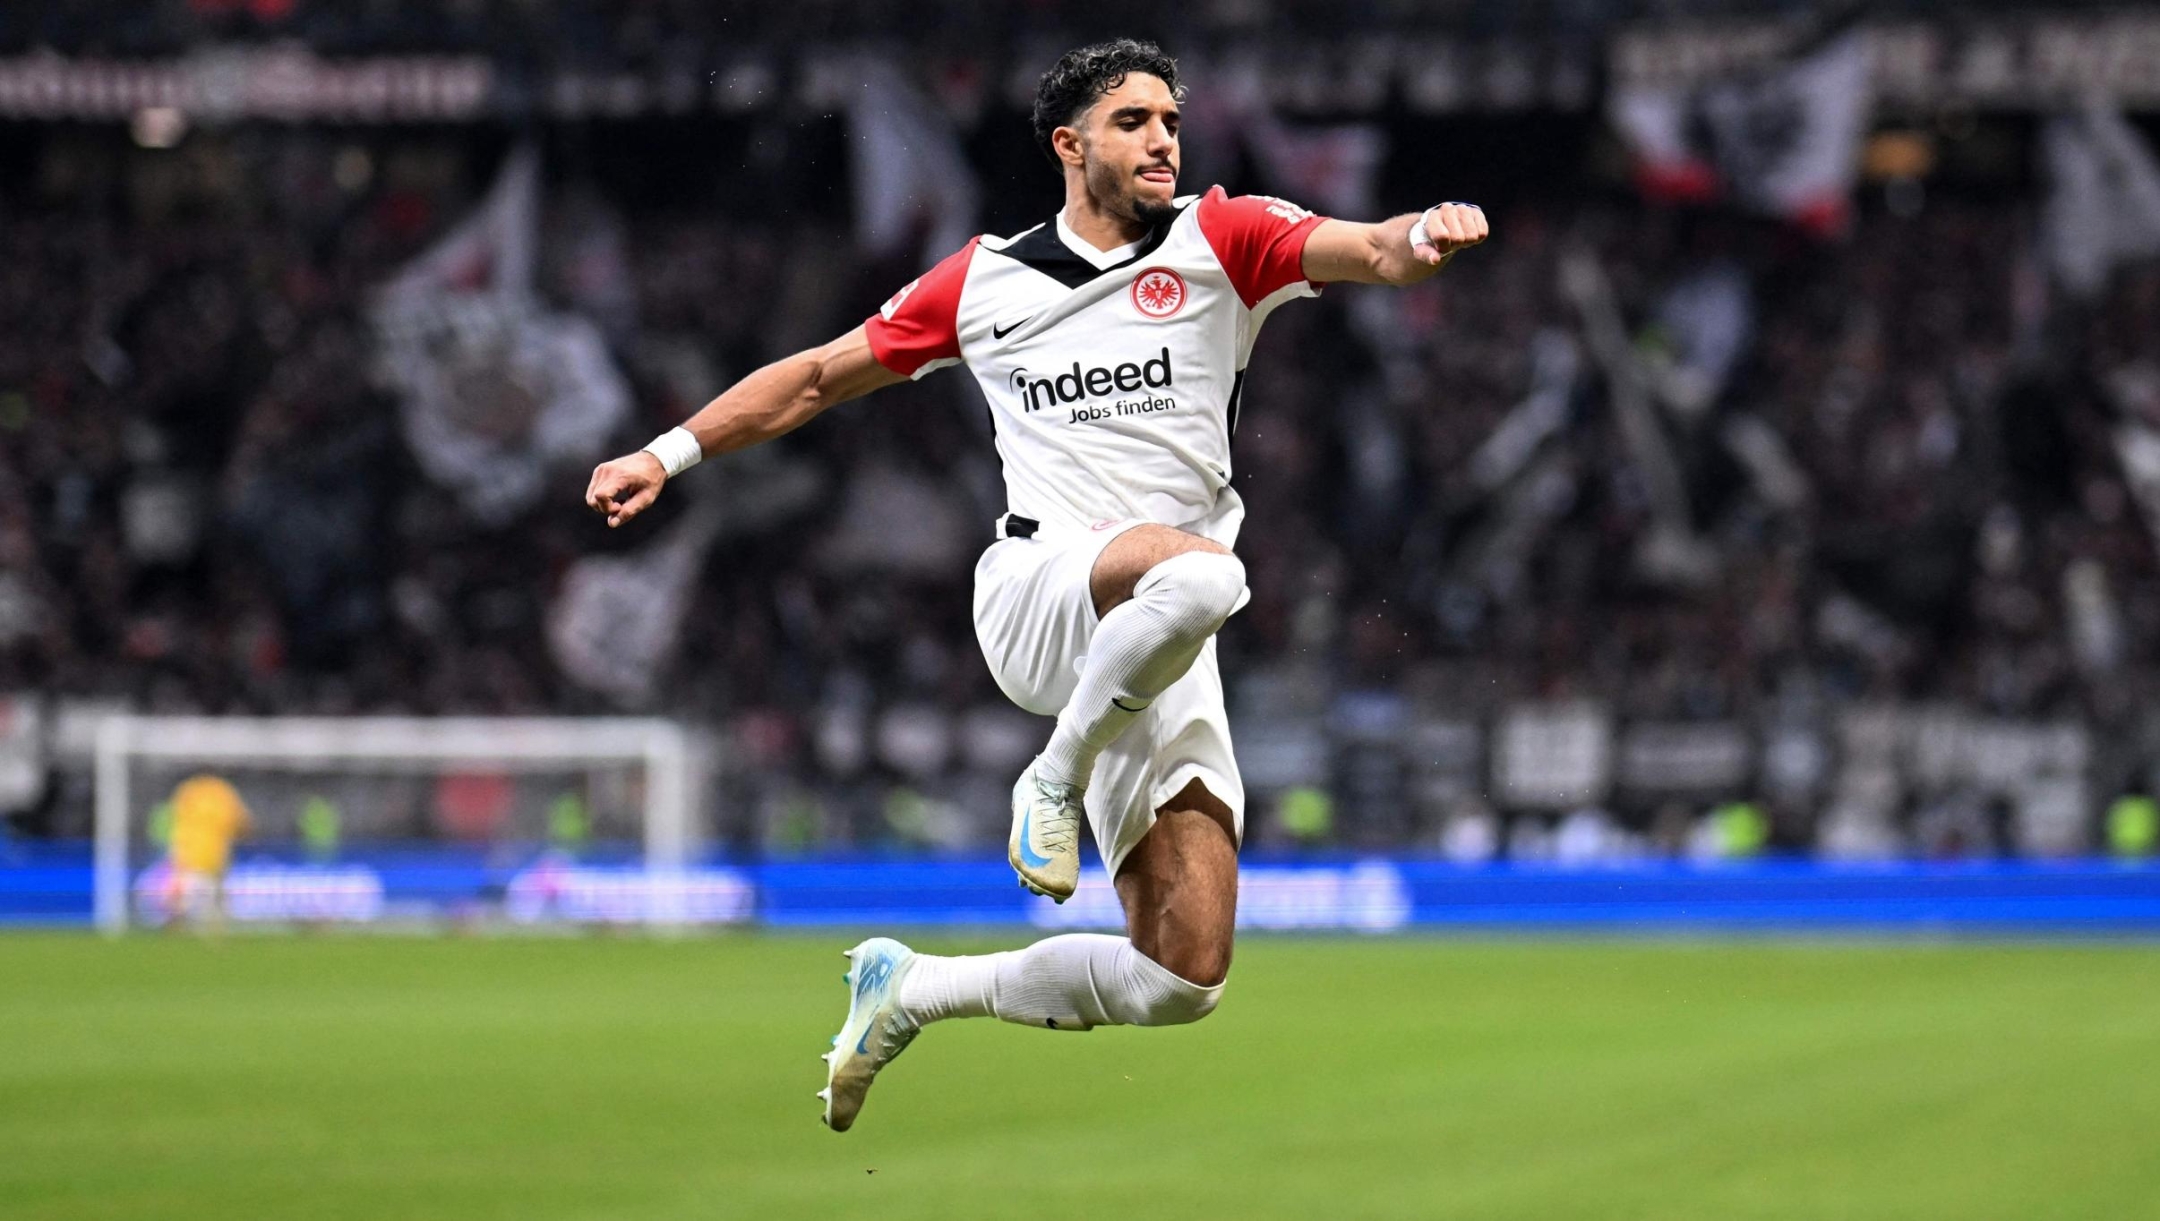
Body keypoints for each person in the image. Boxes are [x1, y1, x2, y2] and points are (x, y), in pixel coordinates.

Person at [584, 38, 1487, 1131]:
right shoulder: (985, 281)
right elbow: (819, 377)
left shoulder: (1225, 237)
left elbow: (1373, 251)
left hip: (1156, 638)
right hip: (1038, 590)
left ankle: (913, 989)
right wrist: (665, 454)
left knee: (1183, 979)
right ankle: (1050, 783)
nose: (1163, 140)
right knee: (1212, 574)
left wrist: (1420, 235)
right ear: (1071, 146)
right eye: (1133, 122)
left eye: (1169, 120)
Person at [164, 773, 251, 935]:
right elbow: (244, 824)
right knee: (204, 905)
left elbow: (178, 824)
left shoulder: (189, 791)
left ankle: (184, 930)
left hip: (200, 858)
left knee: (202, 904)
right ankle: (202, 934)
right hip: (210, 858)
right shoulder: (222, 791)